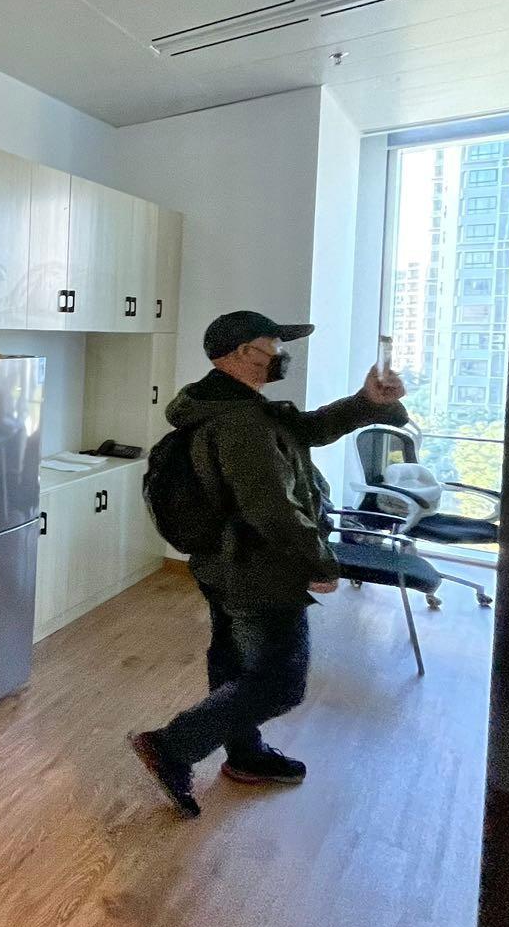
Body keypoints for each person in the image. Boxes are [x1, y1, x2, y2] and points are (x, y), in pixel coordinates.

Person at [129, 310, 407, 818]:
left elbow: (307, 429)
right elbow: (271, 508)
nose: (281, 355)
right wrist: (320, 561)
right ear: (241, 353)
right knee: (280, 681)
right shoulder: (240, 422)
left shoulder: (233, 405)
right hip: (258, 567)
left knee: (234, 663)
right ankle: (172, 746)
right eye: (273, 345)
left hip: (223, 563)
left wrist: (368, 401)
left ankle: (244, 753)